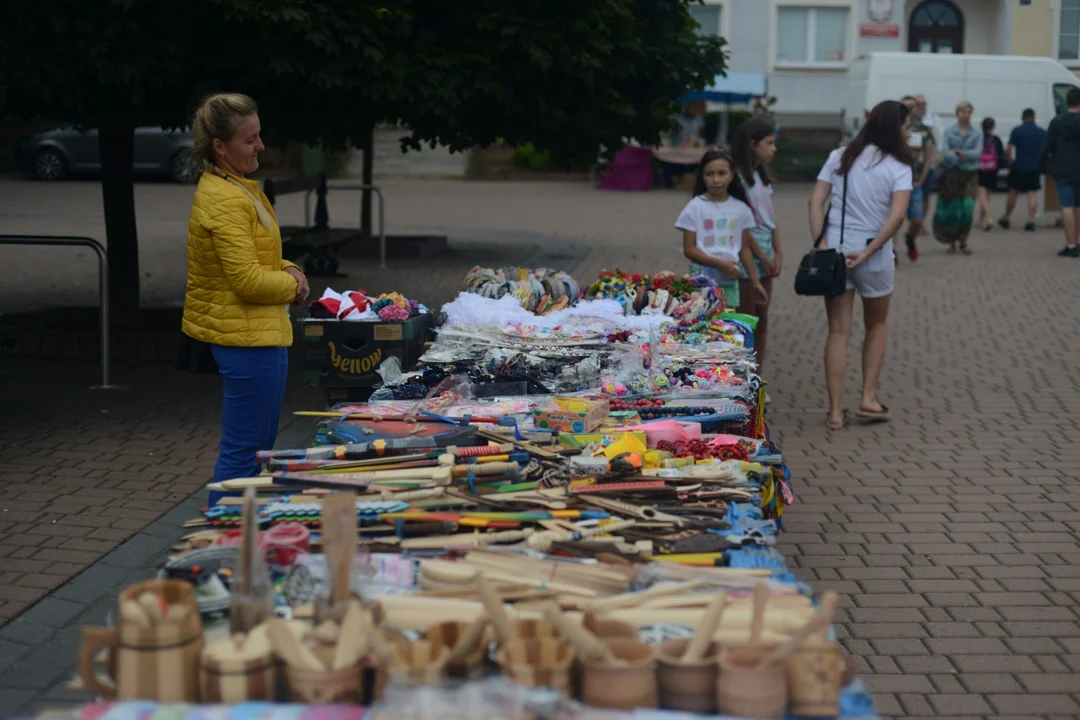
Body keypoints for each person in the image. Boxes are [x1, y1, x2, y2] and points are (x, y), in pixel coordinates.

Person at [181, 93, 310, 481]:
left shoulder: (236, 187)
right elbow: (247, 281)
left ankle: (242, 535)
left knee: (257, 453)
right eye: (249, 139)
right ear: (220, 147)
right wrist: (293, 286)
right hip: (247, 342)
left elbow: (258, 258)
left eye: (259, 135)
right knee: (243, 456)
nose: (260, 146)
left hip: (261, 336)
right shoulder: (225, 198)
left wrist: (289, 268)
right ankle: (220, 538)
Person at [809, 100, 913, 430]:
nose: (910, 133)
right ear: (895, 128)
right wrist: (867, 254)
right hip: (875, 252)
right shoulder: (899, 166)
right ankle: (868, 398)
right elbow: (897, 217)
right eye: (907, 126)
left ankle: (835, 412)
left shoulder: (839, 157)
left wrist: (822, 246)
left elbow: (815, 201)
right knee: (877, 325)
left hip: (837, 252)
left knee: (838, 330)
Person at [675, 147, 768, 313]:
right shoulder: (694, 207)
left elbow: (745, 249)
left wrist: (755, 282)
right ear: (702, 177)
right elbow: (689, 250)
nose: (715, 180)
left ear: (732, 175)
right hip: (701, 280)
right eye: (709, 174)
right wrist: (719, 264)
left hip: (730, 279)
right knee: (701, 324)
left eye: (721, 173)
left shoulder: (741, 209)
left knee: (725, 327)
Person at [730, 120, 781, 371]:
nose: (774, 149)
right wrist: (762, 256)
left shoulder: (762, 177)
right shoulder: (737, 179)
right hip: (747, 255)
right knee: (746, 320)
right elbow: (744, 226)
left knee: (762, 318)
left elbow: (771, 219)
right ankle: (743, 373)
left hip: (766, 254)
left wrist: (778, 251)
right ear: (752, 145)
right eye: (769, 143)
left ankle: (757, 373)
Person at [933, 102, 983, 254]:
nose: (965, 115)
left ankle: (963, 240)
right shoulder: (949, 132)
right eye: (962, 112)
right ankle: (951, 241)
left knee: (968, 208)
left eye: (968, 112)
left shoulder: (977, 134)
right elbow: (945, 152)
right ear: (957, 114)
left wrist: (961, 153)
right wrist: (964, 155)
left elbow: (978, 153)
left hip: (970, 174)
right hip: (952, 174)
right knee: (953, 209)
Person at [1040, 87, 1080, 257]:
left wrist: (1043, 167)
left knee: (1066, 205)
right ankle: (1076, 242)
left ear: (1067, 102)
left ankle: (1070, 245)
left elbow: (1047, 147)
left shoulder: (1056, 122)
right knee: (1078, 206)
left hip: (1061, 168)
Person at [998, 109, 1047, 232]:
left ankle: (1006, 218)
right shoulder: (1041, 132)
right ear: (1033, 117)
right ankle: (1031, 221)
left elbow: (1009, 149)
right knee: (1032, 194)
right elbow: (1045, 150)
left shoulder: (1017, 130)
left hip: (1019, 166)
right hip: (1034, 167)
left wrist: (1010, 162)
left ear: (1023, 117)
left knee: (1013, 193)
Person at [899, 95, 935, 261]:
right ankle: (890, 252)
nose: (909, 110)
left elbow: (928, 157)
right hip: (896, 182)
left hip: (914, 181)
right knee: (894, 220)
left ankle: (910, 238)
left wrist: (922, 179)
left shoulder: (924, 131)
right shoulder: (893, 129)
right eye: (905, 106)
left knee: (917, 220)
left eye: (911, 106)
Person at [975, 117, 1006, 232]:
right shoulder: (996, 139)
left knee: (981, 194)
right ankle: (980, 220)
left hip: (981, 168)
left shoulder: (979, 138)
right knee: (987, 195)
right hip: (992, 169)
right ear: (993, 127)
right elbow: (1001, 155)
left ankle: (988, 218)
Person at [913, 95, 938, 233]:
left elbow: (936, 141)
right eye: (919, 104)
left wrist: (938, 154)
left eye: (924, 103)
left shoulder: (932, 121)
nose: (922, 106)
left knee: (926, 195)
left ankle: (920, 222)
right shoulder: (908, 123)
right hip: (911, 169)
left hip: (927, 166)